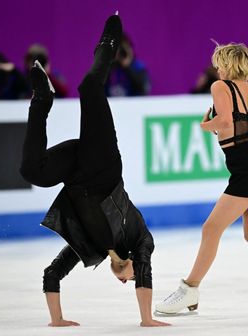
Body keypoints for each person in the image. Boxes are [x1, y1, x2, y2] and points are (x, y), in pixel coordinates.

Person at [19, 13, 170, 327]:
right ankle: (112, 33)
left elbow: (52, 274)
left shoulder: (89, 246)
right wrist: (147, 319)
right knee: (90, 87)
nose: (127, 280)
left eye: (126, 282)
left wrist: (57, 319)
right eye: (130, 279)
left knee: (32, 171)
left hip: (76, 173)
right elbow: (144, 268)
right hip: (104, 170)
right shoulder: (141, 239)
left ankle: (42, 99)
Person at [156, 42, 248, 314]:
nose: (216, 69)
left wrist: (205, 125)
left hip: (244, 170)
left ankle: (189, 289)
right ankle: (190, 292)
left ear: (227, 64)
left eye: (218, 63)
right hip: (244, 165)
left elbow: (226, 122)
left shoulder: (221, 87)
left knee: (211, 228)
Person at [105, 32, 150, 97]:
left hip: (133, 105)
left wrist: (128, 66)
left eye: (123, 48)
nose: (120, 51)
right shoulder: (108, 67)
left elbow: (144, 89)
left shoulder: (138, 66)